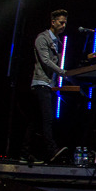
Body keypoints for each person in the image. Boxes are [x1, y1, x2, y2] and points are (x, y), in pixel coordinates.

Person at [25, 9, 69, 163]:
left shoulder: (58, 41)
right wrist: (62, 72)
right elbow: (45, 60)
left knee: (35, 121)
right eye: (61, 22)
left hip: (47, 85)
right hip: (40, 83)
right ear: (53, 22)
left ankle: (25, 153)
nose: (63, 25)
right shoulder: (42, 38)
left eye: (65, 23)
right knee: (47, 118)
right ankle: (51, 151)